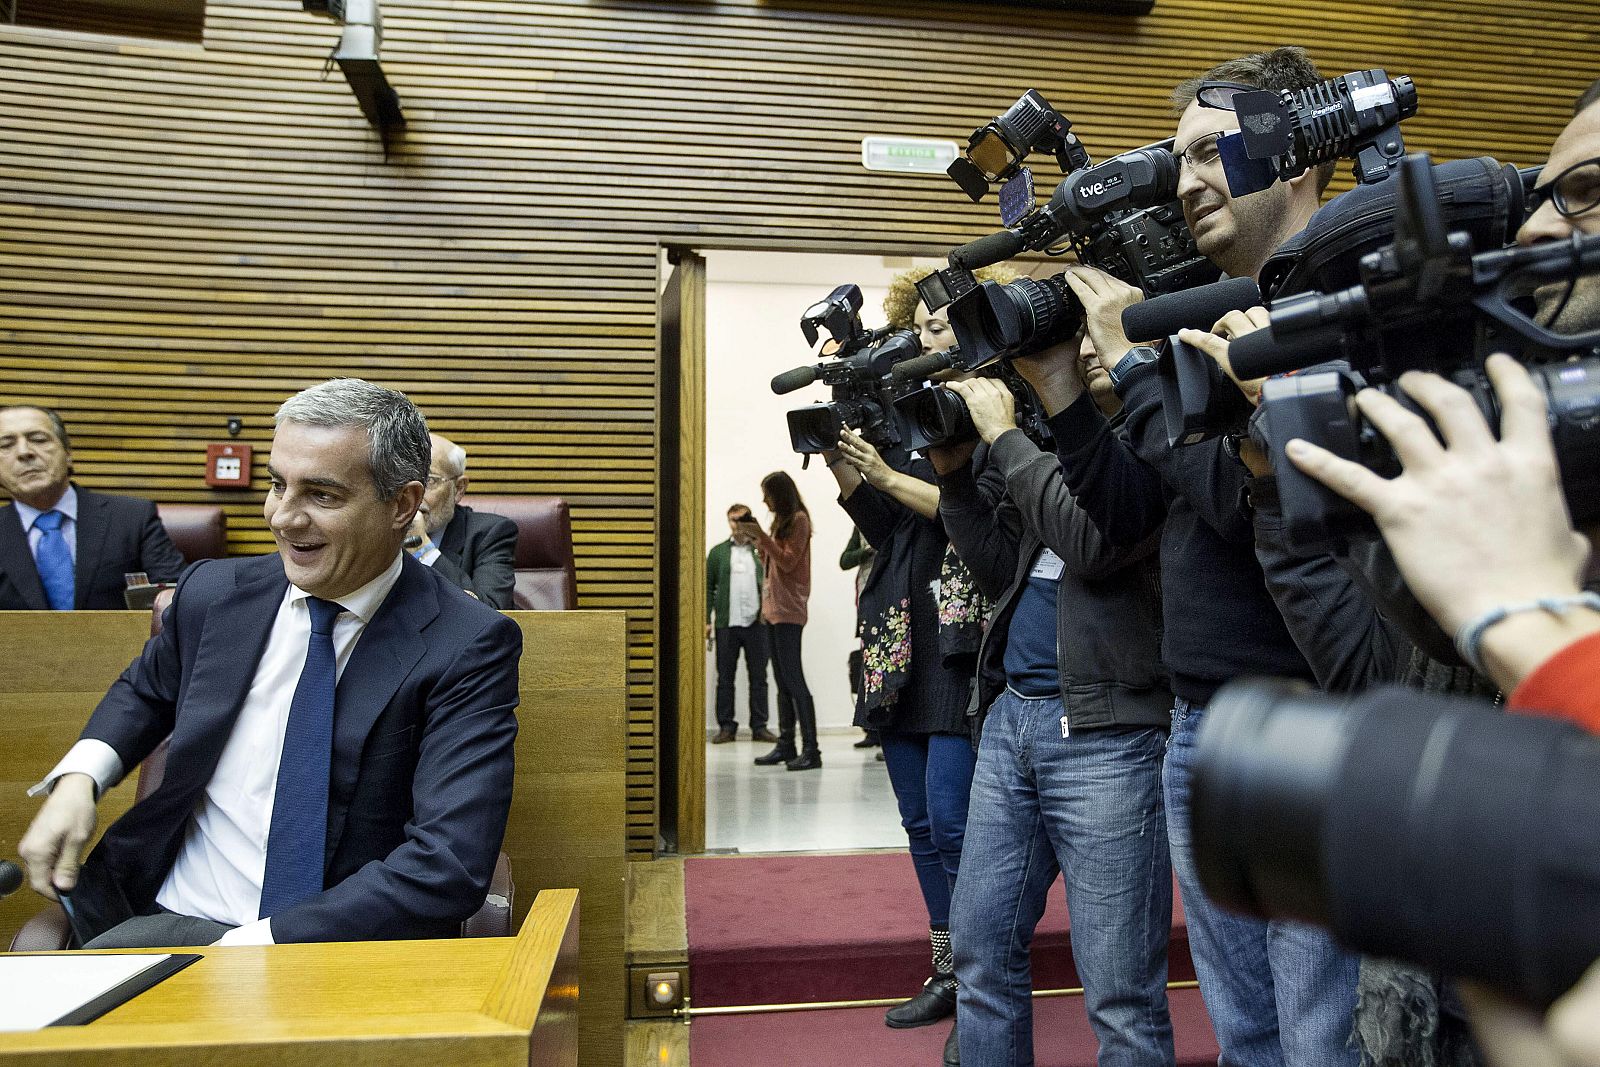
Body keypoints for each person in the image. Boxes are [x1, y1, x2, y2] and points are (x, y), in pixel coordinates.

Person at [1046, 47, 1361, 1067]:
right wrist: (1066, 393)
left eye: (1207, 153)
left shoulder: (1342, 296)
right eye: (1175, 161)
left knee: (1321, 1039)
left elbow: (1248, 504)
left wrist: (1137, 369)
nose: (1184, 182)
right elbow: (1135, 506)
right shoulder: (1207, 305)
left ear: (1300, 150)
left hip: (1307, 719)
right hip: (1199, 718)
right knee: (1245, 1035)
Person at [17, 378, 521, 947]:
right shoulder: (214, 593)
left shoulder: (467, 643)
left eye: (322, 495)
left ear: (402, 505)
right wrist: (80, 779)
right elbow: (147, 691)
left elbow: (447, 865)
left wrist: (252, 949)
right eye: (278, 485)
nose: (283, 517)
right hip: (164, 922)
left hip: (335, 949)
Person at [926, 333, 1173, 1067]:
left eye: (1099, 332)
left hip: (1108, 732)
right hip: (1013, 718)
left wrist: (1003, 435)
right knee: (979, 954)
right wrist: (955, 481)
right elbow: (1002, 566)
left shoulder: (1149, 443)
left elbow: (1092, 543)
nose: (1086, 349)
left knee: (1121, 996)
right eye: (1072, 339)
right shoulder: (1061, 448)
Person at [0, 405, 185, 610]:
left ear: (67, 453)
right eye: (6, 445)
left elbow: (178, 597)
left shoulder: (132, 518)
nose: (24, 452)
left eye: (39, 439)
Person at [743, 471, 819, 770]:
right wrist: (760, 542)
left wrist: (762, 537)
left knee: (794, 679)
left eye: (767, 493)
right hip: (773, 610)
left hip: (789, 609)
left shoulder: (799, 520)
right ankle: (787, 744)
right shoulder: (780, 523)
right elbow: (772, 564)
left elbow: (788, 562)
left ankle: (812, 749)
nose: (764, 500)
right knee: (781, 681)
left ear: (780, 493)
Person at [404, 432, 518, 609]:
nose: (414, 494)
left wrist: (422, 549)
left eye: (429, 481)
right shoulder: (379, 527)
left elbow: (492, 610)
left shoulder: (491, 533)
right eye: (405, 480)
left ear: (458, 489)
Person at [705, 503, 777, 744]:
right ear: (728, 522)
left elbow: (773, 578)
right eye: (734, 520)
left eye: (742, 520)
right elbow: (707, 589)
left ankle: (760, 726)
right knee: (725, 678)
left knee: (759, 677)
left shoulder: (761, 552)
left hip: (758, 623)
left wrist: (759, 542)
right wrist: (706, 620)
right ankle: (726, 726)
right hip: (727, 623)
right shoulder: (717, 553)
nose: (738, 525)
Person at [839, 525, 881, 750]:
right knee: (869, 667)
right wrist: (865, 552)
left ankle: (884, 730)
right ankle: (871, 728)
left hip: (890, 598)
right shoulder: (859, 527)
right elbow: (844, 560)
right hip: (866, 600)